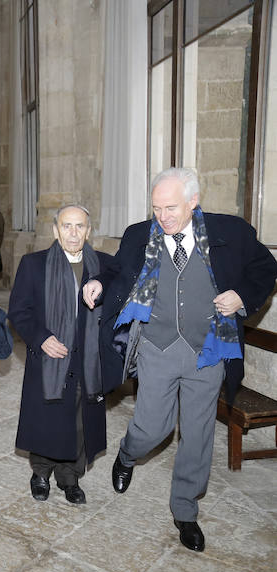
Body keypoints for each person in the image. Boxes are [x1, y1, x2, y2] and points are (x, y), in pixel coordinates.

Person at [83, 167, 277, 552]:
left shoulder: (231, 233)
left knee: (198, 433)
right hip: (157, 345)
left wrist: (241, 296)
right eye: (156, 208)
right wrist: (101, 283)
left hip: (208, 349)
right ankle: (128, 452)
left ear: (193, 201)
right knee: (153, 427)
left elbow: (266, 269)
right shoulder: (140, 235)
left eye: (171, 207)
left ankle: (185, 510)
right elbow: (119, 270)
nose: (163, 217)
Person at [8, 205, 112, 504]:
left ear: (89, 231)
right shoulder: (33, 264)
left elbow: (125, 283)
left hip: (86, 359)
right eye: (67, 226)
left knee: (79, 418)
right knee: (47, 415)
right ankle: (40, 472)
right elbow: (18, 311)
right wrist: (41, 338)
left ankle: (70, 476)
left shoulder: (103, 266)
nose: (74, 233)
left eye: (80, 226)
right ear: (55, 230)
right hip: (49, 358)